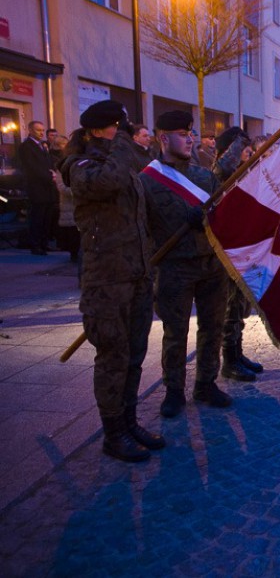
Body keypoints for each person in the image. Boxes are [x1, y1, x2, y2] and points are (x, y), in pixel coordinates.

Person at [60, 99, 163, 462]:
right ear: (97, 130)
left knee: (134, 354)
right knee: (113, 356)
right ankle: (113, 433)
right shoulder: (81, 165)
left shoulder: (122, 162)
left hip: (135, 274)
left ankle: (130, 421)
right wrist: (123, 146)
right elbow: (110, 181)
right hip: (106, 280)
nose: (123, 133)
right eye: (116, 127)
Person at [140, 111, 235, 418]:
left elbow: (223, 215)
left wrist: (208, 218)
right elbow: (143, 227)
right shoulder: (146, 180)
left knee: (213, 326)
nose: (190, 138)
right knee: (175, 330)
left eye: (191, 133)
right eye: (183, 133)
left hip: (210, 263)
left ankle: (206, 383)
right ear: (163, 138)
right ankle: (174, 390)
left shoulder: (203, 176)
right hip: (174, 265)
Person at [212, 126, 264, 382]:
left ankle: (238, 353)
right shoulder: (220, 174)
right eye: (241, 149)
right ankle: (229, 361)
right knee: (231, 308)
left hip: (243, 249)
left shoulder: (241, 173)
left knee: (240, 306)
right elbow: (221, 171)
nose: (246, 152)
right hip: (227, 252)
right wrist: (238, 140)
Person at [17, 120, 58, 255]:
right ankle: (35, 245)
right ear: (30, 130)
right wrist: (48, 176)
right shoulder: (26, 147)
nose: (41, 133)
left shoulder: (42, 146)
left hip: (47, 187)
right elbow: (32, 167)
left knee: (47, 217)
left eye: (42, 130)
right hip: (37, 187)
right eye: (37, 130)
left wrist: (53, 173)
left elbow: (47, 163)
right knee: (38, 217)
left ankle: (44, 243)